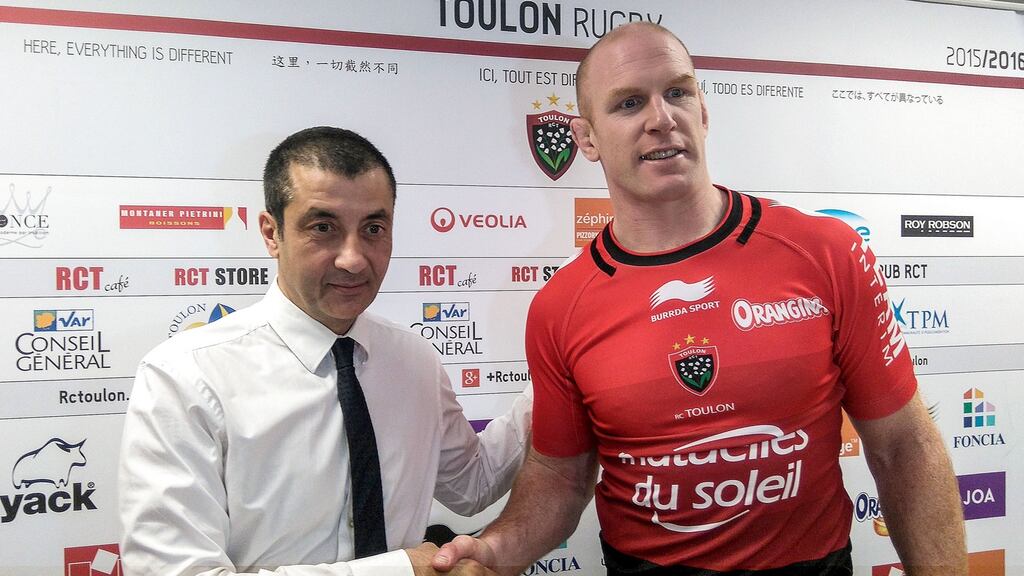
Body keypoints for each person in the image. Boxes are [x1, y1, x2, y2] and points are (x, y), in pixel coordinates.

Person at [432, 22, 966, 576]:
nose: (661, 118)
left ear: (704, 113)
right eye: (629, 102)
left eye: (678, 92)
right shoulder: (560, 306)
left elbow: (903, 447)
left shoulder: (824, 252)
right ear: (586, 139)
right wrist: (495, 551)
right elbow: (560, 478)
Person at [118, 126, 531, 576]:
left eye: (373, 228)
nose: (353, 258)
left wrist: (562, 374)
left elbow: (471, 483)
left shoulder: (415, 361)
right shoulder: (185, 376)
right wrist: (399, 571)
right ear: (271, 233)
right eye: (323, 228)